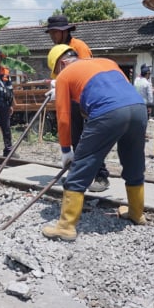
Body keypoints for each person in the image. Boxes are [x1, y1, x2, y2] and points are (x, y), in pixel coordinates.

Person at [41, 44, 148, 241]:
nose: (58, 75)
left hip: (108, 113)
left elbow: (64, 118)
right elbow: (113, 91)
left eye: (56, 71)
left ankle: (65, 226)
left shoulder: (65, 75)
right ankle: (136, 213)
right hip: (138, 108)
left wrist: (66, 151)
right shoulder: (107, 62)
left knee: (82, 164)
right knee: (133, 161)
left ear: (62, 64)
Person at [45, 15, 110, 192]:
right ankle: (80, 171)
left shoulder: (79, 47)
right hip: (71, 99)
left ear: (64, 31)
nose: (52, 36)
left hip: (86, 99)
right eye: (50, 33)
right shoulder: (58, 49)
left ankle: (101, 175)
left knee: (91, 138)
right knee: (75, 137)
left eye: (54, 33)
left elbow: (87, 71)